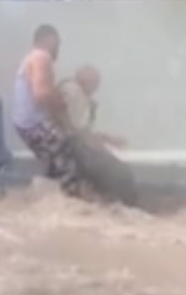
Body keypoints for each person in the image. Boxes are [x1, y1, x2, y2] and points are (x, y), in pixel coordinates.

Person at [12, 24, 83, 197]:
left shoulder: (32, 58)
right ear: (48, 40)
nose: (59, 48)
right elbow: (41, 93)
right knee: (69, 162)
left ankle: (46, 198)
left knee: (55, 161)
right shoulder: (41, 57)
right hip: (33, 124)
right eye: (58, 43)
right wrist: (60, 103)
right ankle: (76, 208)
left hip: (24, 124)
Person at [57, 65, 138, 207]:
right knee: (123, 173)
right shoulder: (75, 94)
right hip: (76, 149)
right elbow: (81, 135)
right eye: (95, 84)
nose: (96, 89)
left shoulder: (71, 90)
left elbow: (79, 129)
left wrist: (107, 139)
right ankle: (126, 207)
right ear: (88, 82)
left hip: (73, 147)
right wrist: (104, 148)